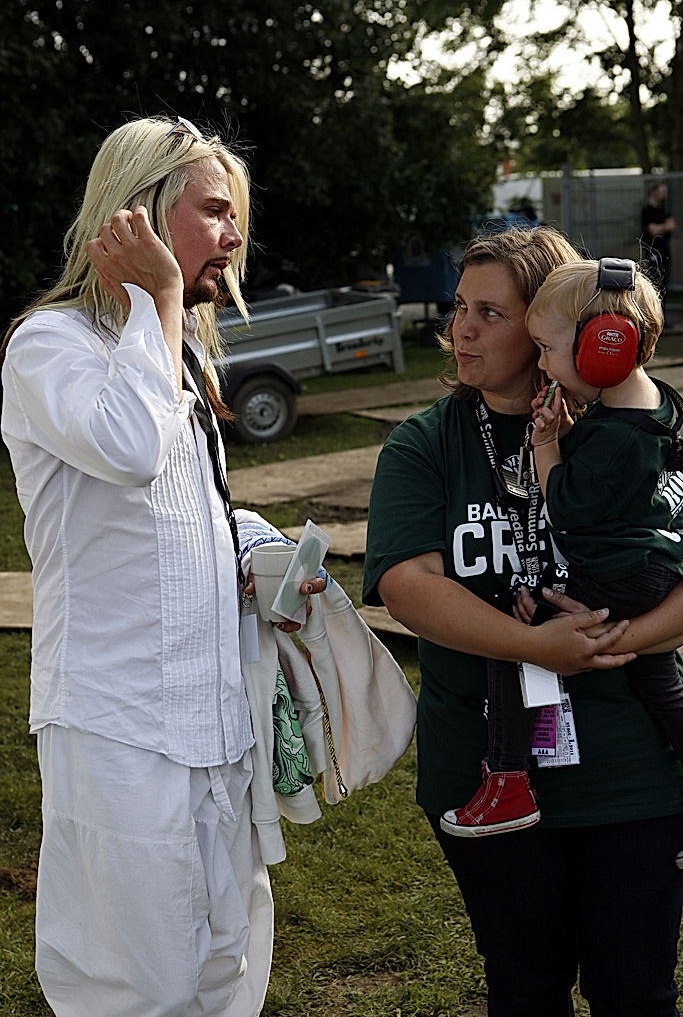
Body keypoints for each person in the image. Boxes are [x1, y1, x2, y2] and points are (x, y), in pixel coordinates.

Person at [0, 115, 325, 1017]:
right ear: (139, 212)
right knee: (131, 982)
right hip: (117, 726)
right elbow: (132, 449)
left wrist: (259, 548)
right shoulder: (49, 345)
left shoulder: (171, 355)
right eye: (215, 213)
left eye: (236, 220)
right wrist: (160, 300)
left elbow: (182, 509)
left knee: (228, 963)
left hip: (216, 721)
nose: (233, 238)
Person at [362, 225, 683, 1016]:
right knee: (525, 989)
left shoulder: (642, 437)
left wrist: (618, 642)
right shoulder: (425, 444)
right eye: (457, 308)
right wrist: (534, 646)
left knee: (636, 992)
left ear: (557, 326)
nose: (460, 330)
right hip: (485, 769)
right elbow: (407, 587)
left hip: (629, 777)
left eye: (490, 313)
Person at [440, 258, 683, 839]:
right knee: (660, 681)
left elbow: (569, 505)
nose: (542, 360)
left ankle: (508, 778)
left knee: (513, 634)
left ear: (604, 350)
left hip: (617, 575)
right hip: (656, 570)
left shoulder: (610, 434)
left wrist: (547, 442)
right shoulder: (659, 408)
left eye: (547, 349)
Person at [641, 181, 676, 305]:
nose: (664, 194)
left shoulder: (664, 210)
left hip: (665, 251)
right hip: (653, 252)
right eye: (662, 191)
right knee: (655, 282)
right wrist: (664, 227)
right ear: (653, 192)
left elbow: (672, 225)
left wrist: (660, 227)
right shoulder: (647, 211)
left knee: (664, 284)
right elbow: (652, 230)